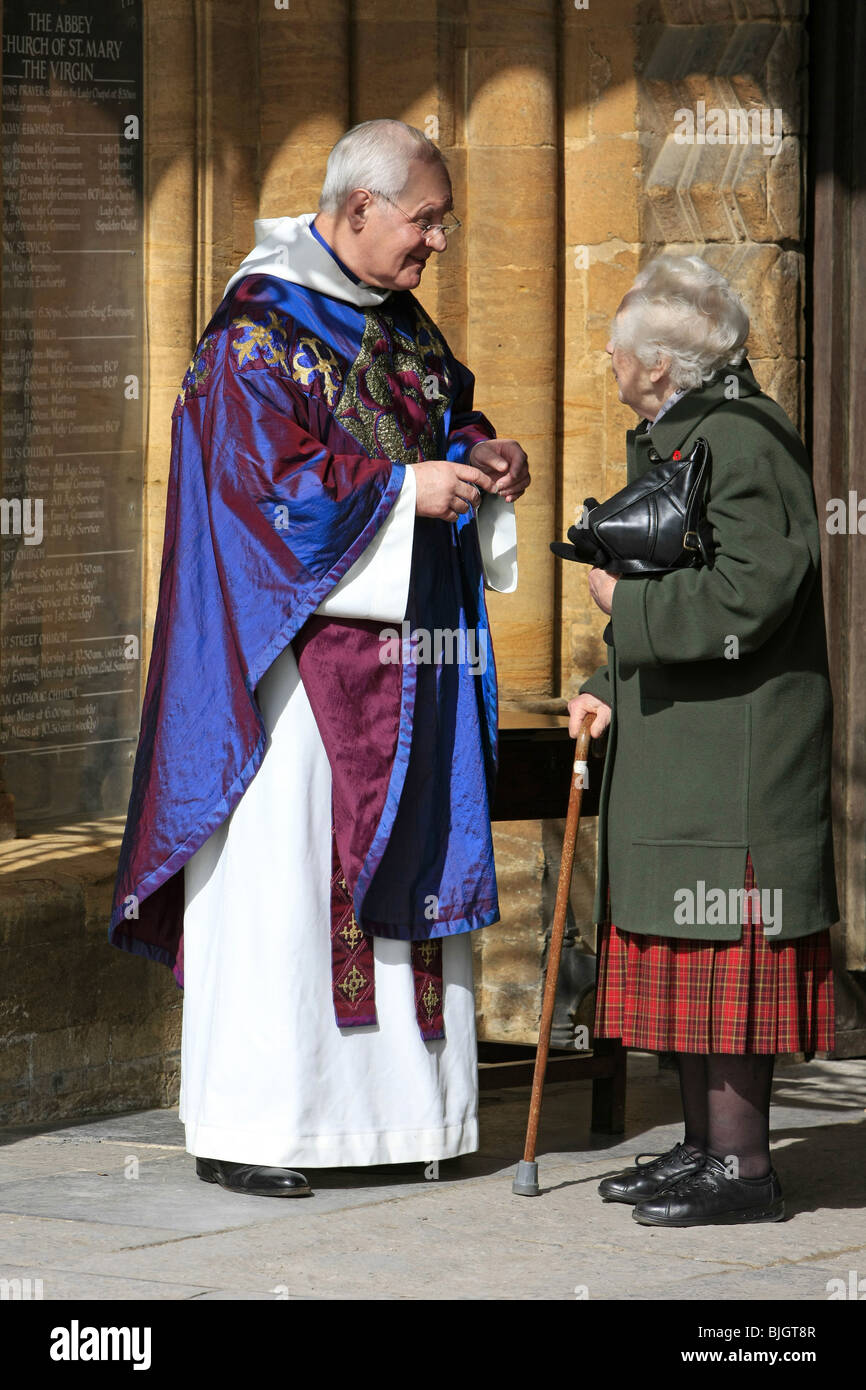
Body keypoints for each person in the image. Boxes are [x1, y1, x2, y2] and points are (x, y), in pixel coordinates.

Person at [109, 119, 530, 1196]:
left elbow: (430, 415)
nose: (436, 241)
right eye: (423, 220)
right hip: (288, 672)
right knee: (284, 887)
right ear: (356, 212)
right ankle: (264, 1127)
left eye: (440, 220)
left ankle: (405, 1123)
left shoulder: (396, 323)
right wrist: (402, 495)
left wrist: (475, 451)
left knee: (400, 863)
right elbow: (254, 498)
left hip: (406, 661)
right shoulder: (254, 332)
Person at [567, 255, 837, 1227]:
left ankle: (744, 1168)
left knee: (723, 952)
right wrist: (605, 681)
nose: (607, 353)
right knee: (684, 961)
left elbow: (749, 592)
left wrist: (620, 601)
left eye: (621, 342)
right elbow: (671, 581)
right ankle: (699, 1150)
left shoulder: (742, 440)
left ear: (664, 363)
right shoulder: (682, 434)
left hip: (736, 765)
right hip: (683, 750)